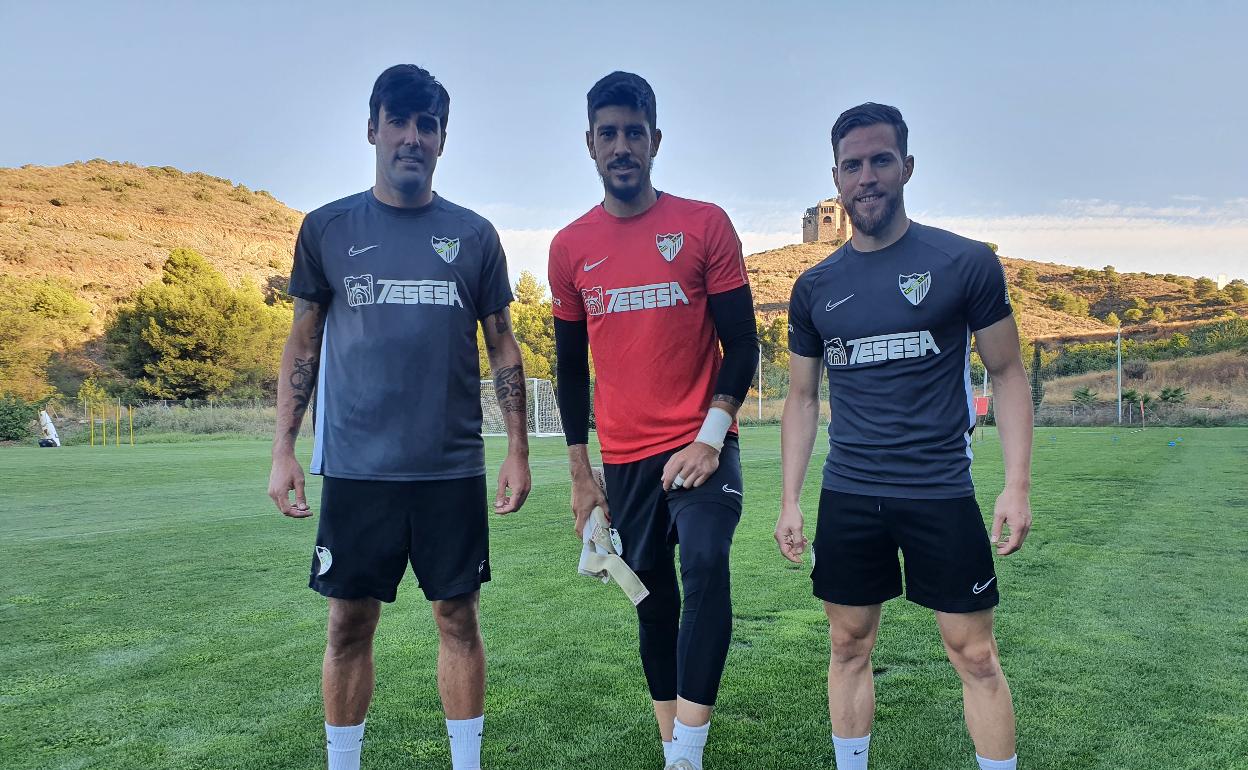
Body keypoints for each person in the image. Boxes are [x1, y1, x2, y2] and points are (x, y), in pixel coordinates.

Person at [267, 64, 532, 770]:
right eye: (400, 122)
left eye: (428, 125)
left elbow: (503, 343)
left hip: (449, 466)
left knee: (458, 618)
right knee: (349, 622)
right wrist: (283, 449)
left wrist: (518, 450)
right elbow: (304, 340)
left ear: (443, 139)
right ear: (372, 128)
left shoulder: (474, 236)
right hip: (357, 467)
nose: (412, 137)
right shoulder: (326, 228)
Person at [776, 103, 1033, 770]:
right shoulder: (814, 287)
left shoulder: (965, 263)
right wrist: (790, 500)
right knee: (848, 646)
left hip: (939, 491)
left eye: (880, 160)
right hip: (851, 495)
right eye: (853, 165)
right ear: (835, 178)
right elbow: (802, 398)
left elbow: (1006, 372)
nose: (867, 176)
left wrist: (1016, 484)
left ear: (907, 167)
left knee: (974, 654)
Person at [548, 71, 759, 770]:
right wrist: (583, 476)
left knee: (704, 563)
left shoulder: (704, 224)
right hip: (627, 460)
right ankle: (675, 744)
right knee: (652, 600)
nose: (621, 146)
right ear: (589, 144)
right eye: (607, 133)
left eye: (634, 132)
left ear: (655, 140)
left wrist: (709, 436)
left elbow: (744, 345)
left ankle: (685, 757)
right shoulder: (570, 247)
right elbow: (572, 371)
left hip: (701, 445)